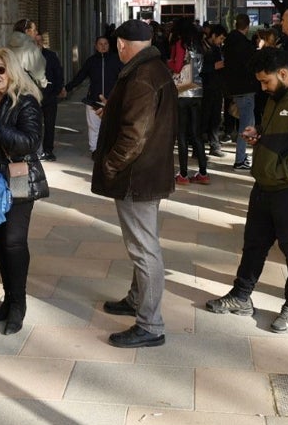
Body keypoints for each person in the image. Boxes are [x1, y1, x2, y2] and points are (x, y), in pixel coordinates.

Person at [204, 48, 288, 333]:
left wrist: (275, 171)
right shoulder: (278, 96)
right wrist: (259, 133)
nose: (263, 88)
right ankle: (241, 296)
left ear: (283, 73)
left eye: (266, 81)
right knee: (254, 245)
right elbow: (284, 136)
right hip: (265, 187)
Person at [94, 19, 177, 349]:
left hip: (136, 177)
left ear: (120, 45)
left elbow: (135, 135)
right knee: (144, 243)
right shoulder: (154, 69)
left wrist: (110, 164)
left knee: (144, 249)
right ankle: (135, 298)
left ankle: (151, 324)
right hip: (148, 172)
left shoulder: (141, 76)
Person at [0, 48, 48, 334]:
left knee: (13, 242)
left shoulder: (27, 102)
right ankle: (8, 299)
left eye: (0, 70)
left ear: (11, 72)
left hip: (19, 177)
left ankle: (18, 304)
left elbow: (30, 142)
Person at [61, 36, 123, 154]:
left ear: (109, 46)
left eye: (106, 44)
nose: (103, 46)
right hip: (93, 100)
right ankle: (94, 150)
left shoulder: (116, 60)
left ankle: (110, 150)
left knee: (112, 127)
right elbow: (80, 76)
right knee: (94, 127)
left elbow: (124, 77)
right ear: (96, 46)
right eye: (100, 44)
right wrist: (67, 88)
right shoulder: (91, 61)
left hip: (112, 100)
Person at [167, 19, 208, 185]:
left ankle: (183, 174)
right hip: (198, 91)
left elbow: (176, 67)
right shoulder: (199, 44)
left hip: (183, 92)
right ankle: (203, 173)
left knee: (182, 134)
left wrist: (167, 62)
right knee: (197, 134)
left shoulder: (179, 43)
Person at [222, 14, 257, 170]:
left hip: (234, 87)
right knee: (246, 125)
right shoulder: (246, 45)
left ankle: (242, 157)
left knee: (247, 122)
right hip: (246, 87)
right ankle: (240, 159)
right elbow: (250, 65)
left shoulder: (228, 42)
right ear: (247, 26)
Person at [199, 24, 228, 157]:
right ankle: (198, 147)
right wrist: (213, 67)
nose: (221, 41)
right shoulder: (202, 47)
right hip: (206, 87)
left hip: (216, 87)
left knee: (215, 117)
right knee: (204, 116)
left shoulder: (217, 48)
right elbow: (199, 68)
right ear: (214, 35)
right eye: (220, 38)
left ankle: (214, 144)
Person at [36, 32, 63, 161]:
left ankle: (48, 150)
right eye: (34, 41)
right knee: (34, 124)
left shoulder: (51, 56)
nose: (37, 44)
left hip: (49, 96)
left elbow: (58, 73)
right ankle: (36, 150)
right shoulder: (27, 57)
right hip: (33, 97)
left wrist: (57, 90)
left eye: (39, 41)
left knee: (49, 124)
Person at [7, 18, 48, 94]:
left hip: (10, 88)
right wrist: (44, 83)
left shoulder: (7, 45)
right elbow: (38, 73)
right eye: (34, 30)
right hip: (27, 89)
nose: (36, 32)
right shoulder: (31, 48)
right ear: (27, 31)